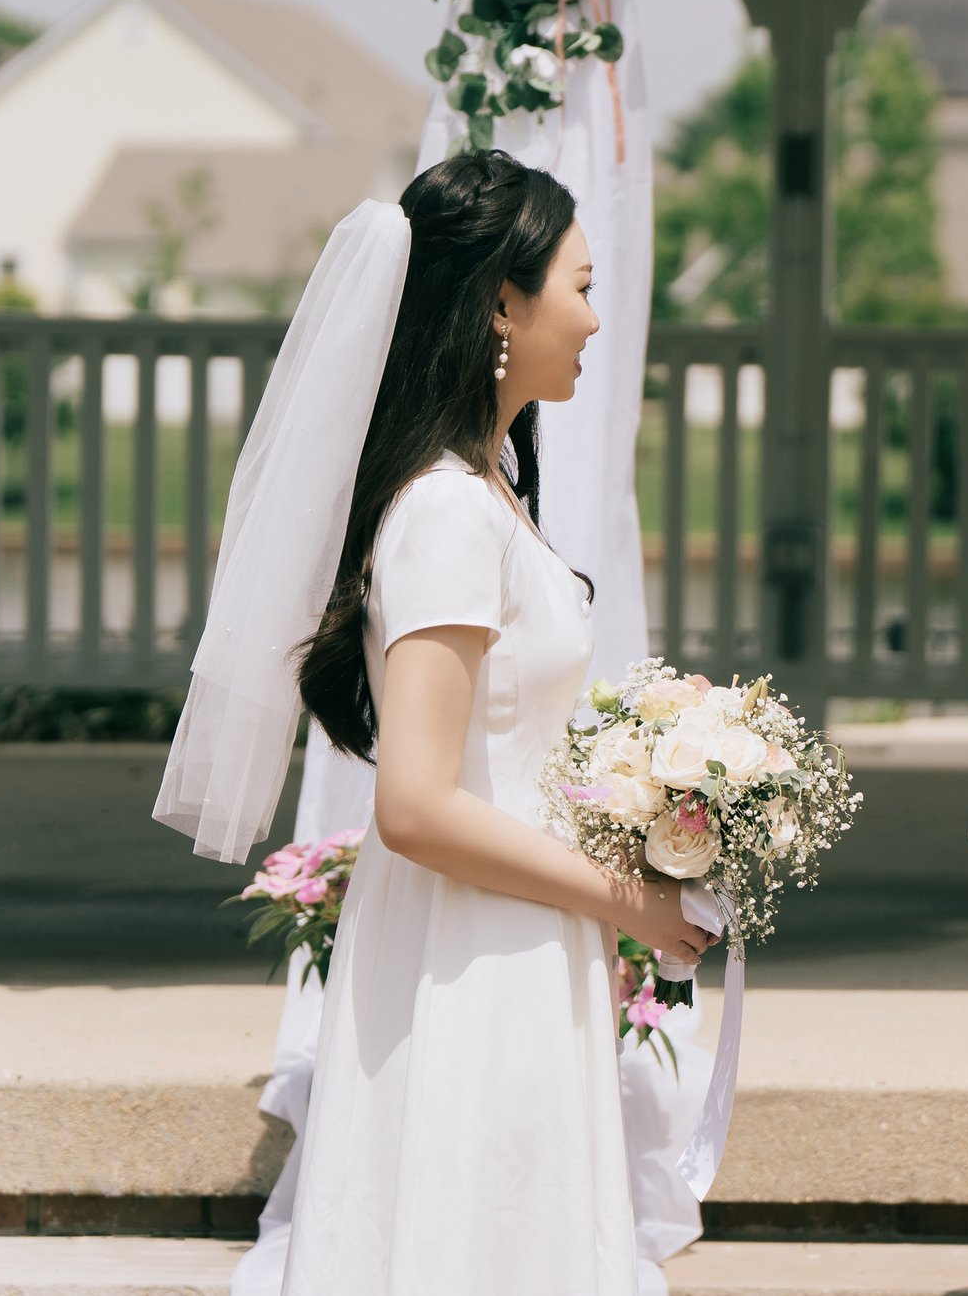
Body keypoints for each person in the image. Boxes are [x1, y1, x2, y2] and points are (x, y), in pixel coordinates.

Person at [153, 152, 717, 1295]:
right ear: (504, 300)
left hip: (514, 928)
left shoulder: (489, 486)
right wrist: (632, 901)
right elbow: (413, 804)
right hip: (473, 953)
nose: (598, 319)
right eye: (582, 285)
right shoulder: (448, 513)